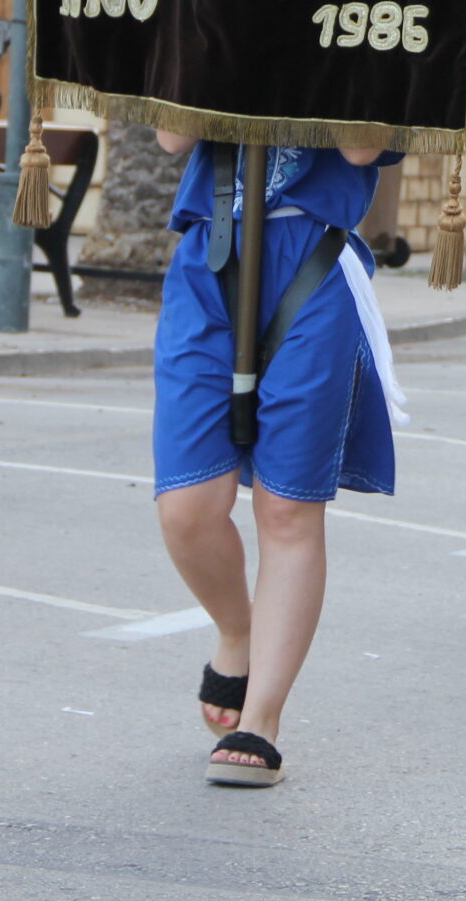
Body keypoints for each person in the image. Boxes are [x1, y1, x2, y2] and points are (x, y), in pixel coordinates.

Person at [149, 130, 401, 788]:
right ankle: (238, 630)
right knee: (186, 508)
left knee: (287, 507)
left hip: (312, 256)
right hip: (211, 248)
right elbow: (171, 132)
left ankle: (260, 717)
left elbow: (360, 146)